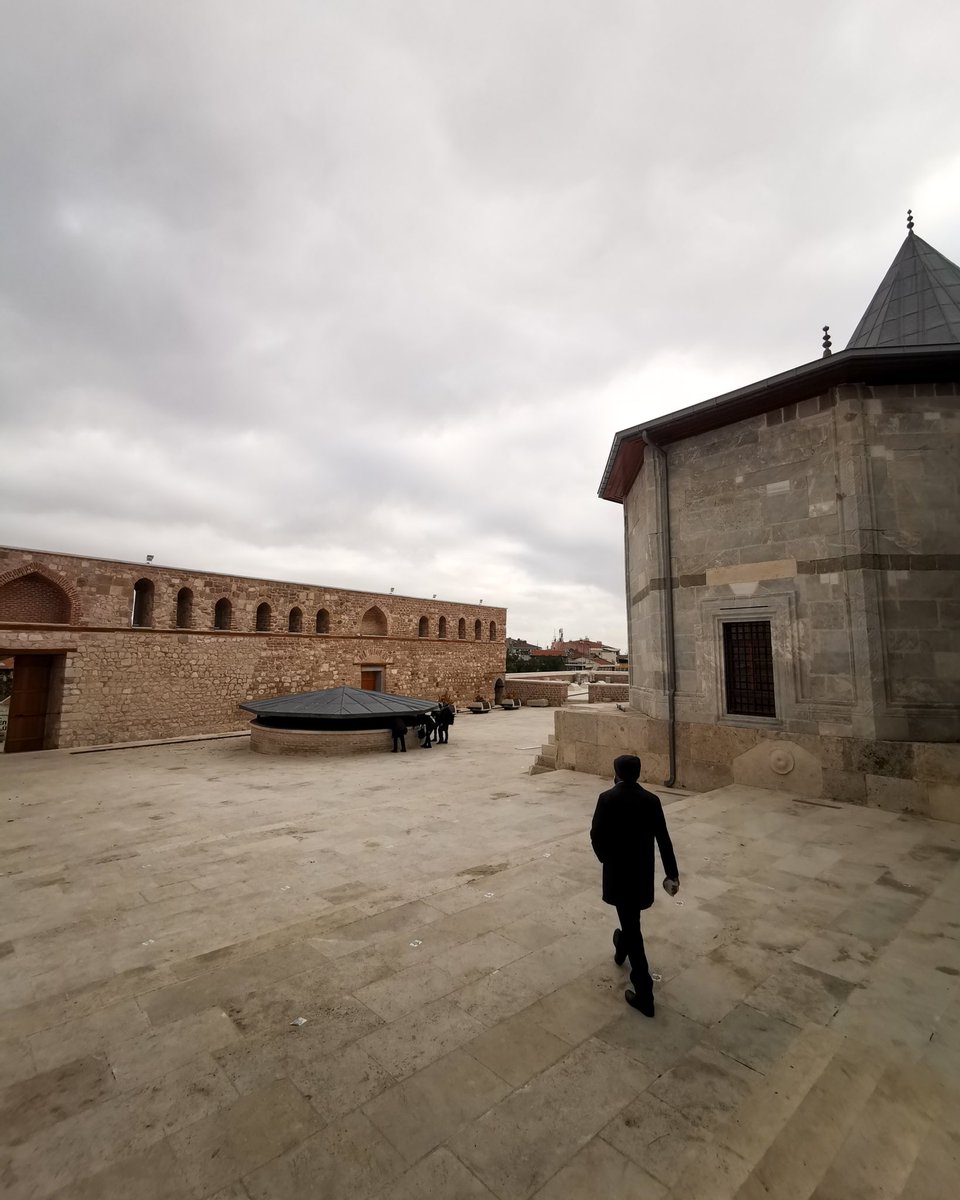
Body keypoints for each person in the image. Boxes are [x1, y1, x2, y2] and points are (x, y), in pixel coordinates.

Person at [590, 754, 679, 1018]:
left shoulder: (607, 799)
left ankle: (645, 992)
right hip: (641, 875)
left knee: (632, 928)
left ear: (616, 773)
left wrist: (605, 857)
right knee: (631, 920)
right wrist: (672, 874)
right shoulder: (651, 801)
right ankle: (620, 946)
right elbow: (664, 839)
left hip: (618, 874)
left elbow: (596, 835)